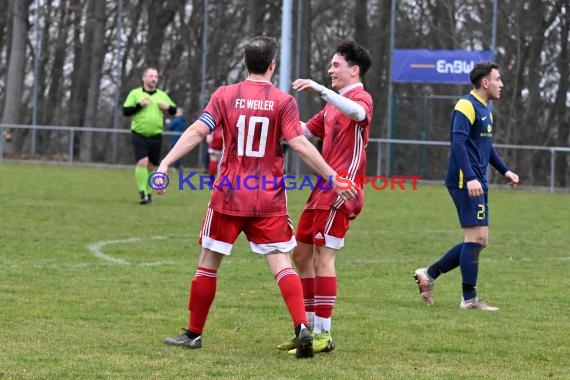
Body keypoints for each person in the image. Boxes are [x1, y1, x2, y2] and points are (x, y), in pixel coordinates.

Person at [155, 36, 357, 359]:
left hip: (229, 193)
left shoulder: (225, 95)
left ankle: (194, 334)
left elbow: (197, 130)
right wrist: (332, 176)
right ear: (272, 65)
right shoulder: (283, 101)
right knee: (281, 263)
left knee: (208, 263)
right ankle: (301, 327)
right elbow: (301, 144)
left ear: (245, 63)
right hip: (268, 197)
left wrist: (165, 162)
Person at [277, 38, 373, 355]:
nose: (330, 70)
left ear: (354, 70)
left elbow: (357, 112)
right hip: (322, 189)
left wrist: (321, 89)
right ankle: (306, 329)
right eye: (330, 65)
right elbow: (304, 131)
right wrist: (278, 120)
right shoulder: (332, 104)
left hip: (343, 190)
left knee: (323, 258)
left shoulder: (360, 97)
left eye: (336, 65)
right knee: (301, 256)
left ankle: (323, 334)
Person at [413, 62, 519, 311]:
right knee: (477, 237)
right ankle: (468, 299)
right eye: (498, 79)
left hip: (476, 181)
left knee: (479, 239)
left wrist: (505, 170)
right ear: (485, 82)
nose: (501, 84)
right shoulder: (466, 105)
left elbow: (486, 147)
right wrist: (470, 177)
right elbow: (458, 144)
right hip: (465, 181)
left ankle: (428, 274)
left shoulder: (485, 109)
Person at [123, 67, 177, 204]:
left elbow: (174, 110)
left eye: (156, 77)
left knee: (151, 166)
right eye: (151, 76)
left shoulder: (161, 95)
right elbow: (125, 111)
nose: (154, 79)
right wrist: (139, 105)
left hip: (156, 135)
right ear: (144, 78)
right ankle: (142, 193)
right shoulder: (135, 93)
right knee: (142, 161)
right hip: (139, 133)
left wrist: (167, 107)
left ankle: (148, 193)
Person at [165, 107, 187, 172]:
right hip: (181, 139)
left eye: (177, 112)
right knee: (178, 153)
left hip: (176, 139)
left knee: (175, 154)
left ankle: (177, 167)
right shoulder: (183, 120)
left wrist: (168, 122)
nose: (175, 113)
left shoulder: (177, 120)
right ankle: (178, 166)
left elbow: (169, 126)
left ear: (180, 113)